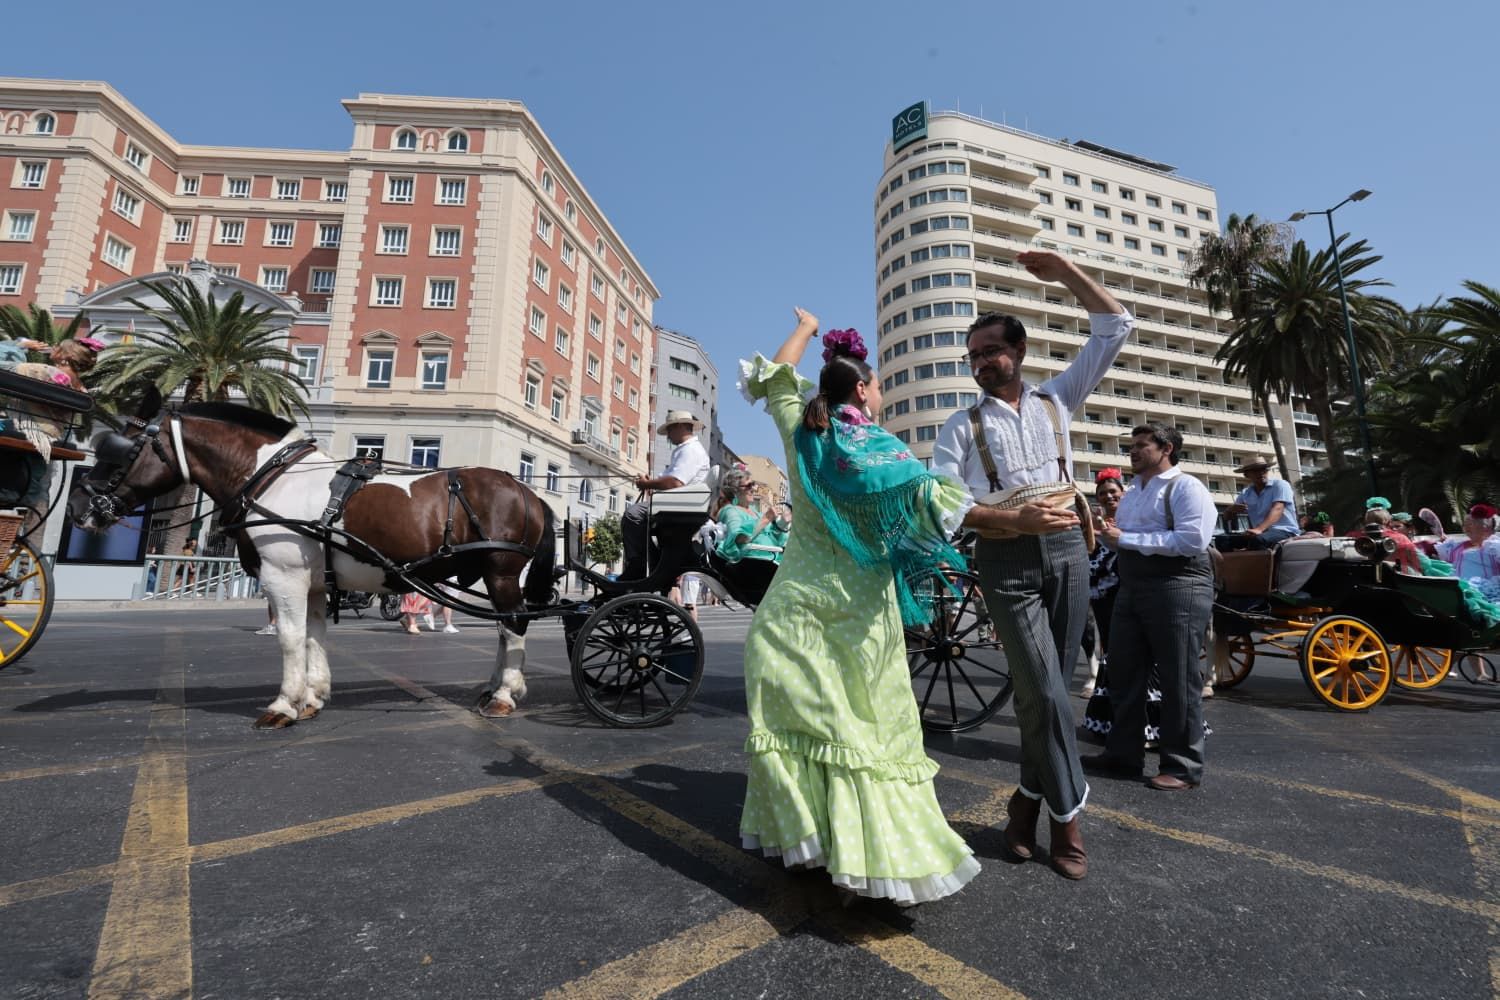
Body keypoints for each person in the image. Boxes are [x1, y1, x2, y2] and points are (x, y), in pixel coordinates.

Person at [737, 307, 978, 906]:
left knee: (797, 724)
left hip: (793, 606)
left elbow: (777, 378)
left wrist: (804, 328)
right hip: (864, 615)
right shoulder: (885, 454)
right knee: (866, 731)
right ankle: (866, 853)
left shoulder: (802, 434)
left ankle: (810, 840)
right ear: (864, 391)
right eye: (877, 387)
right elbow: (939, 509)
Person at [931, 250, 1133, 880]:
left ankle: (1026, 800)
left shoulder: (1057, 399)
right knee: (1045, 688)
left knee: (1038, 693)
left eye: (989, 351)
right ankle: (1068, 818)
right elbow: (943, 502)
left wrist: (1066, 271)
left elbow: (1115, 327)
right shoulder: (960, 427)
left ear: (1017, 350)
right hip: (1006, 559)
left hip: (1070, 551)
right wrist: (1012, 521)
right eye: (972, 356)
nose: (980, 363)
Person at [1084, 423, 1217, 792]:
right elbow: (1125, 543)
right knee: (1124, 671)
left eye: (1143, 445)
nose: (1134, 451)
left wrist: (1124, 538)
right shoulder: (1133, 494)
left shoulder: (1186, 487)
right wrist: (1108, 537)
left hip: (1178, 584)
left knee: (1178, 676)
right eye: (1133, 446)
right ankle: (1123, 755)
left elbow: (1192, 540)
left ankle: (1183, 765)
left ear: (1168, 448)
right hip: (1134, 584)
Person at [620, 410, 710, 580]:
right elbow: (671, 480)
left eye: (670, 429)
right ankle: (652, 566)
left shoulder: (690, 450)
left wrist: (647, 484)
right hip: (677, 506)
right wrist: (651, 482)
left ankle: (637, 568)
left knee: (633, 514)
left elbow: (676, 482)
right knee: (637, 516)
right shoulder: (686, 450)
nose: (668, 435)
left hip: (679, 508)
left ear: (681, 426)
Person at [1078, 468, 1124, 700]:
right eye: (1103, 493)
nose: (1108, 496)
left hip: (1127, 586)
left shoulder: (1133, 517)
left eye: (1113, 491)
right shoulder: (1093, 523)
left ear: (1122, 493)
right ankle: (1100, 677)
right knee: (1102, 633)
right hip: (1099, 590)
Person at [1421, 503, 1500, 601]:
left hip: (1484, 595)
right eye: (1464, 524)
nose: (1466, 528)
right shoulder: (1454, 547)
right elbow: (1426, 548)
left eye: (1470, 524)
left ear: (1486, 527)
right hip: (1455, 593)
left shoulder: (1495, 547)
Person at [1220, 456, 1299, 550]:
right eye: (1255, 471)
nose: (1261, 473)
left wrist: (1259, 529)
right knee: (1222, 540)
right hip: (1259, 533)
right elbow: (1227, 517)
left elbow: (1278, 508)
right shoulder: (1246, 493)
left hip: (1284, 531)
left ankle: (1260, 564)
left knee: (1259, 540)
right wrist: (1230, 510)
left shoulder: (1280, 485)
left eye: (1263, 469)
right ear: (1246, 475)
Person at [715, 466, 787, 565]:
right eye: (749, 485)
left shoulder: (756, 512)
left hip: (772, 560)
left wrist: (781, 524)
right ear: (735, 491)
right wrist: (766, 519)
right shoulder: (730, 511)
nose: (753, 488)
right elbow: (738, 540)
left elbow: (776, 539)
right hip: (753, 564)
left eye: (753, 484)